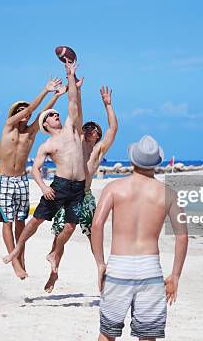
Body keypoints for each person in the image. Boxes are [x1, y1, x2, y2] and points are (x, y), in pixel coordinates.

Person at [91, 135, 188, 341]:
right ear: (157, 162)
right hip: (150, 268)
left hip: (119, 265)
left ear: (132, 159)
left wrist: (100, 264)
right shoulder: (169, 194)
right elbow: (182, 235)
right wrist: (175, 275)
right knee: (147, 335)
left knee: (107, 333)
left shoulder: (114, 188)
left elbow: (97, 225)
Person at [3, 61, 85, 279]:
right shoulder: (45, 145)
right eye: (51, 115)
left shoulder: (71, 130)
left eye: (57, 114)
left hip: (78, 188)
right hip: (58, 187)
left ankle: (53, 255)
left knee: (69, 228)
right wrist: (43, 186)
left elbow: (73, 103)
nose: (56, 115)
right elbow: (35, 169)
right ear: (45, 124)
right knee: (35, 221)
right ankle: (17, 250)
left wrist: (71, 78)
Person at [44, 85, 118, 292]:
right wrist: (77, 90)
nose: (89, 130)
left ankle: (101, 270)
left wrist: (108, 105)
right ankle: (54, 270)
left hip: (84, 196)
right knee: (60, 234)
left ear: (97, 135)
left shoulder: (98, 150)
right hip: (68, 193)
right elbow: (76, 111)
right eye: (87, 127)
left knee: (93, 233)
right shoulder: (75, 143)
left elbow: (113, 129)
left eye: (93, 129)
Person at [0, 77, 66, 279]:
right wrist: (45, 90)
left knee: (20, 222)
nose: (24, 113)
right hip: (5, 180)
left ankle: (20, 257)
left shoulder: (31, 133)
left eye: (25, 111)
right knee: (7, 222)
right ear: (14, 114)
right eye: (20, 111)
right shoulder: (8, 126)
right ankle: (15, 262)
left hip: (21, 181)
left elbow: (42, 115)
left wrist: (56, 96)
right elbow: (29, 111)